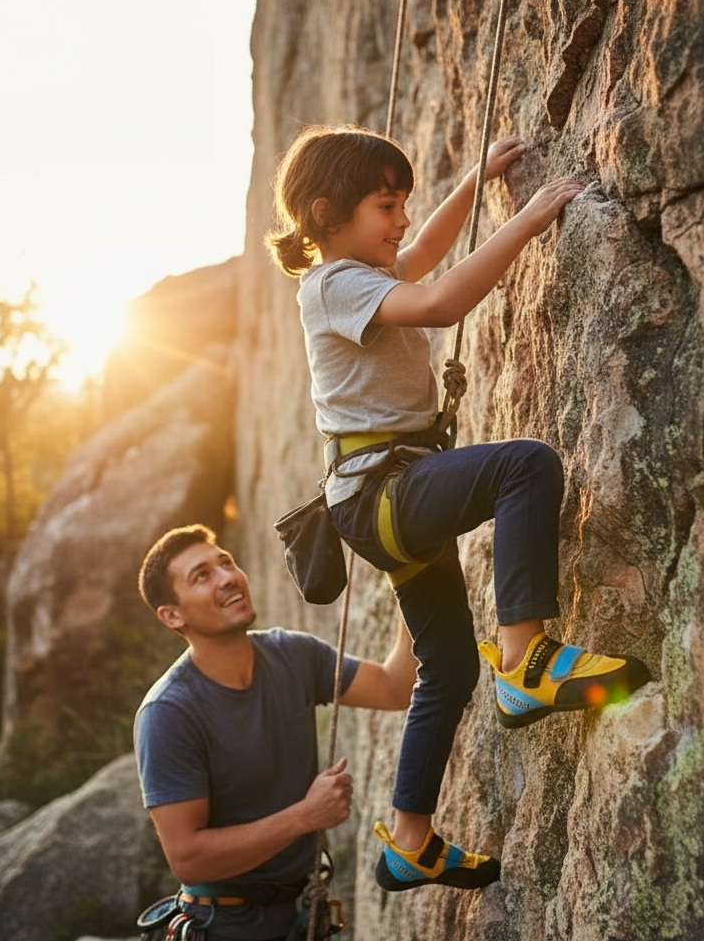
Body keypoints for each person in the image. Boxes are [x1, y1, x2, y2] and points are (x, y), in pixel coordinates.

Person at [266, 124, 649, 894]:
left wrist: (474, 181)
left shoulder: (363, 272)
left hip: (384, 498)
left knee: (442, 672)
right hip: (382, 496)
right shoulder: (334, 283)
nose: (401, 219)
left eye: (403, 202)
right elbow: (440, 301)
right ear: (325, 212)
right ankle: (527, 661)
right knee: (526, 465)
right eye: (386, 205)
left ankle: (410, 840)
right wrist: (529, 218)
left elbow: (422, 260)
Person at [134, 524, 495, 941]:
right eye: (202, 575)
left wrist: (414, 571)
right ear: (171, 615)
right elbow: (188, 857)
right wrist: (306, 816)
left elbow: (393, 686)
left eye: (225, 561)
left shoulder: (291, 655)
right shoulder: (169, 713)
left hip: (302, 927)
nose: (227, 577)